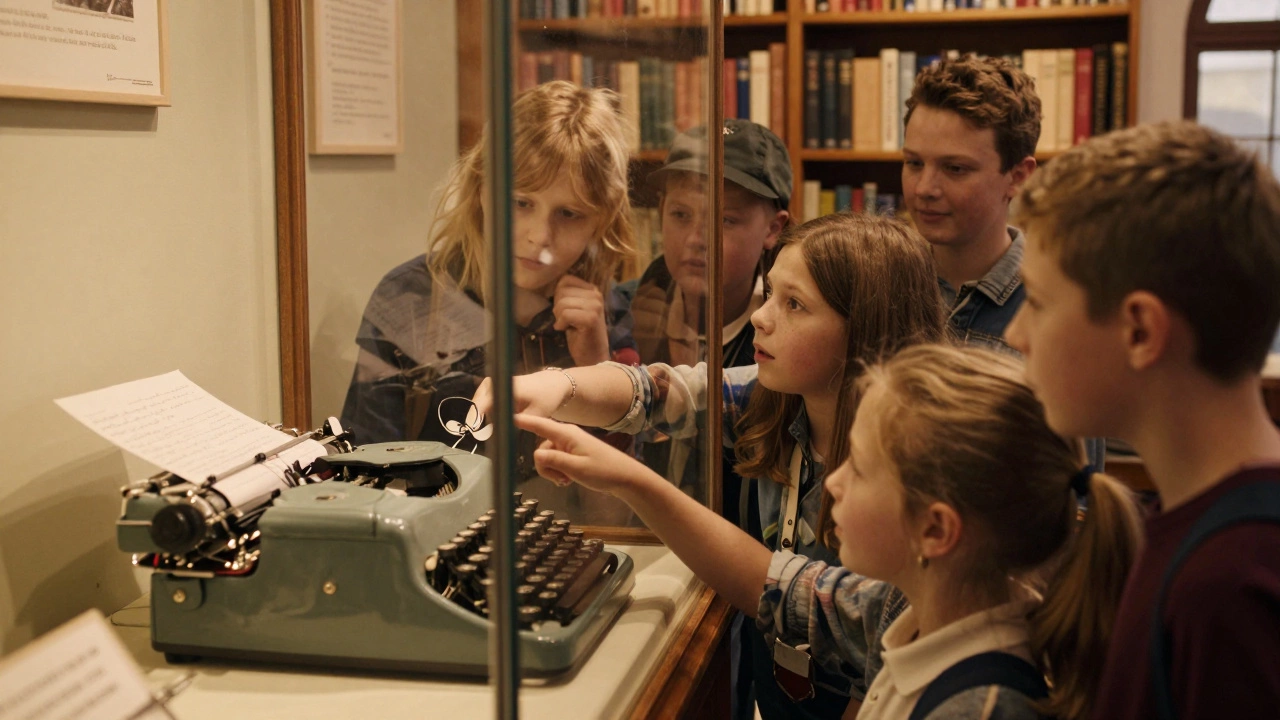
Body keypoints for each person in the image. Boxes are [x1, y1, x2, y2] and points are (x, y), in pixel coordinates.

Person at [477, 212, 947, 718]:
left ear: (865, 330)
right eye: (770, 293)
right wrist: (559, 384)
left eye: (794, 304)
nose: (762, 317)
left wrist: (630, 481)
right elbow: (660, 391)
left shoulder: (920, 469)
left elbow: (835, 616)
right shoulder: (769, 397)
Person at [516, 343, 1144, 719]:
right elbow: (775, 580)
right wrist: (629, 480)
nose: (835, 483)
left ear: (935, 530)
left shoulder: (977, 706)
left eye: (860, 468)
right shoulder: (912, 609)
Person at [1004, 120, 1280, 719]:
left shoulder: (1228, 586)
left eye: (1039, 303)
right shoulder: (1201, 533)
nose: (1015, 334)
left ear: (1140, 331)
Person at [339, 81, 636, 511]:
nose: (539, 237)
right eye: (520, 202)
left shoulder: (606, 312)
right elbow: (364, 485)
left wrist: (596, 368)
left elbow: (619, 516)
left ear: (601, 220)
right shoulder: (410, 298)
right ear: (481, 189)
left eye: (569, 213)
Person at [630, 118, 791, 719]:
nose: (696, 238)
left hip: (741, 594)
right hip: (647, 574)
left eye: (724, 220)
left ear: (773, 229)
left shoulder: (785, 343)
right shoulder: (628, 311)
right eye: (680, 214)